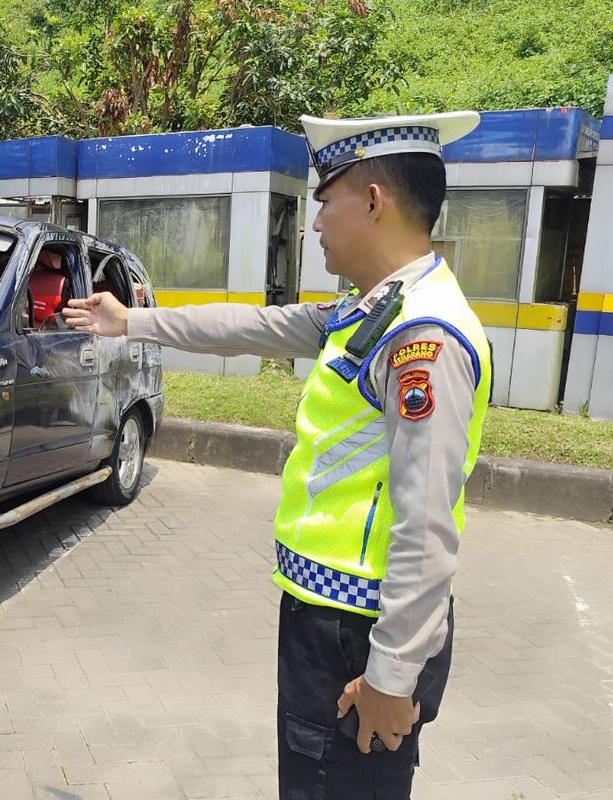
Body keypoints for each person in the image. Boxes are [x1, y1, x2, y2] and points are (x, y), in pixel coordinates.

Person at [63, 111, 492, 799]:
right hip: (328, 613)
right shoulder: (371, 308)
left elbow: (427, 525)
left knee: (336, 785)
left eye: (326, 203)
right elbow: (253, 325)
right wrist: (131, 320)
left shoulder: (424, 339)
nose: (316, 223)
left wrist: (391, 673)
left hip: (361, 635)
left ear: (374, 202)